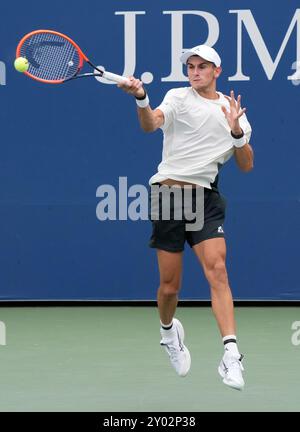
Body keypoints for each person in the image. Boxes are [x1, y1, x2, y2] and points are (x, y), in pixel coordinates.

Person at [119, 44, 253, 390]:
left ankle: (231, 355)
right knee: (169, 286)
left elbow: (247, 164)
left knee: (218, 269)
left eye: (202, 66)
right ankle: (168, 332)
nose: (195, 72)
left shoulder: (230, 109)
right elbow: (151, 125)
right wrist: (141, 98)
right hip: (167, 195)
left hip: (204, 197)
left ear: (217, 71)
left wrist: (236, 132)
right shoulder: (178, 98)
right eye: (191, 66)